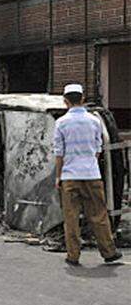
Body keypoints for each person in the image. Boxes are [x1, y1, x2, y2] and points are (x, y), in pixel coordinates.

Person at [53, 84, 123, 266]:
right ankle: (109, 252)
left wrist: (58, 176)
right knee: (99, 215)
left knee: (71, 218)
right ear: (82, 99)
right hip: (92, 175)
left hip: (69, 177)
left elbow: (59, 153)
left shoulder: (60, 123)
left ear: (65, 101)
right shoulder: (94, 121)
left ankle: (73, 255)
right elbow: (98, 150)